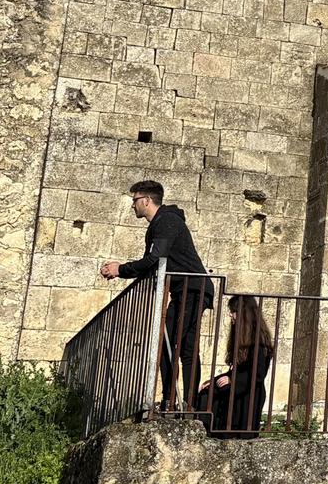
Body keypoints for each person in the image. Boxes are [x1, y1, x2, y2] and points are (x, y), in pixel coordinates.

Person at [100, 179, 213, 412]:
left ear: (147, 201)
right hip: (183, 291)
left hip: (193, 289)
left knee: (182, 346)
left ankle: (186, 404)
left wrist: (120, 269)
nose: (133, 205)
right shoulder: (159, 224)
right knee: (174, 345)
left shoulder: (167, 220)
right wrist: (121, 271)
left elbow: (155, 258)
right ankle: (175, 401)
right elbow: (151, 264)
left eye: (135, 200)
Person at [194, 294, 276, 440]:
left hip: (247, 395)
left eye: (234, 311)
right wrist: (215, 380)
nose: (231, 315)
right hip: (238, 388)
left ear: (243, 313)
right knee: (207, 392)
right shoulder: (243, 337)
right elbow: (237, 369)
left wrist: (232, 381)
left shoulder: (258, 340)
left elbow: (257, 374)